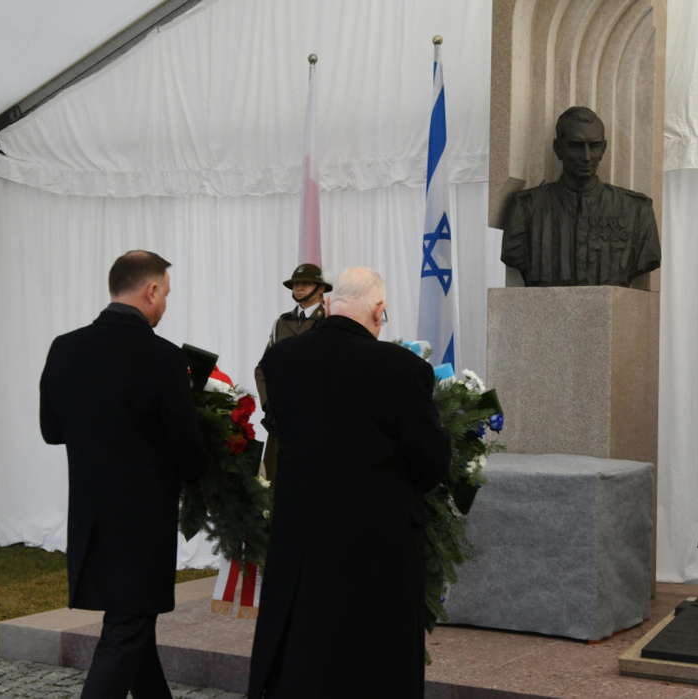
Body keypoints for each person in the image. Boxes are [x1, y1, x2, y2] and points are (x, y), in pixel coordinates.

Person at [247, 267, 451, 698]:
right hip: (377, 544)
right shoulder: (403, 369)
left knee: (303, 648)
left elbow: (283, 430)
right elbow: (431, 461)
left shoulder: (282, 362)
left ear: (328, 303)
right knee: (373, 660)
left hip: (301, 536)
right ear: (379, 311)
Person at [40, 250, 206, 697]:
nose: (165, 305)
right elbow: (187, 448)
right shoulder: (164, 358)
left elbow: (51, 430)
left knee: (133, 625)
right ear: (151, 290)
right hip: (142, 522)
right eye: (166, 294)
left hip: (91, 515)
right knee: (126, 631)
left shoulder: (65, 347)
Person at [501, 106, 661, 287]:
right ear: (558, 148)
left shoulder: (636, 210)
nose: (586, 156)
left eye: (594, 146)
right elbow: (514, 254)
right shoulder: (526, 208)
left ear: (604, 149)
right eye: (576, 146)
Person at [253, 263, 332, 479]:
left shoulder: (330, 322)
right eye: (296, 283)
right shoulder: (282, 322)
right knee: (274, 483)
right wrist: (269, 405)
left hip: (316, 421)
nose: (299, 287)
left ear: (321, 288)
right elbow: (262, 369)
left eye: (306, 283)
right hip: (281, 419)